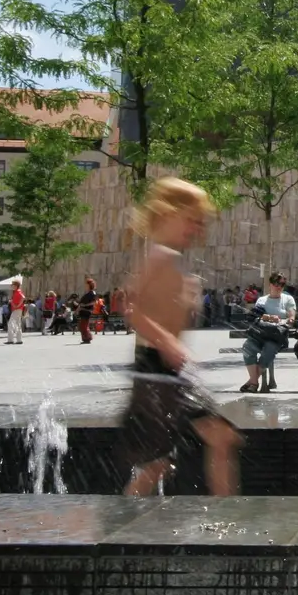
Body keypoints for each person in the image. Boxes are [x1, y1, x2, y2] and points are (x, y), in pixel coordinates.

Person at [116, 177, 240, 496]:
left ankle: (224, 518)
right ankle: (225, 520)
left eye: (200, 223)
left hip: (167, 371)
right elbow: (130, 306)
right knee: (175, 457)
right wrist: (166, 340)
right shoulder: (158, 256)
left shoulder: (167, 257)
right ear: (166, 213)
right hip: (155, 371)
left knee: (166, 461)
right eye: (192, 220)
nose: (197, 229)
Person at [240, 273, 295, 393]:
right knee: (248, 348)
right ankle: (254, 382)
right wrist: (270, 317)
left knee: (269, 351)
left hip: (276, 336)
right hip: (260, 333)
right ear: (270, 284)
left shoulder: (288, 299)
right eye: (276, 283)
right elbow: (255, 316)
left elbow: (291, 319)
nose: (279, 286)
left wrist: (282, 320)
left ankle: (252, 383)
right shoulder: (262, 300)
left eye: (282, 284)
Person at [78, 278, 99, 344]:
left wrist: (85, 305)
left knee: (84, 325)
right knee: (82, 325)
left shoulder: (92, 293)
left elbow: (94, 302)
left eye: (86, 284)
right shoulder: (88, 293)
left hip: (86, 311)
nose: (85, 286)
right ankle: (86, 338)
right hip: (83, 310)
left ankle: (88, 338)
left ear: (89, 285)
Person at [5, 279, 25, 345]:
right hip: (18, 310)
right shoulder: (17, 291)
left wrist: (16, 305)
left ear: (16, 285)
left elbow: (23, 298)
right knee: (17, 324)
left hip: (16, 310)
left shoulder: (17, 291)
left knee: (10, 324)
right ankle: (19, 340)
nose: (12, 286)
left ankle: (10, 340)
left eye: (13, 285)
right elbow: (23, 298)